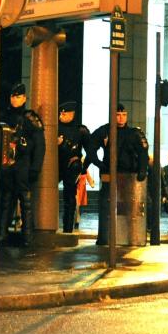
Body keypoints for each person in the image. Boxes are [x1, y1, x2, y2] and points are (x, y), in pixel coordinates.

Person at [89, 103, 148, 245]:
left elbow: (143, 151)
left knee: (132, 209)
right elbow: (90, 147)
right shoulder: (105, 131)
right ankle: (105, 237)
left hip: (129, 176)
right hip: (110, 173)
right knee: (107, 207)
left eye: (124, 115)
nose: (121, 118)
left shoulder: (133, 133)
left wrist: (142, 170)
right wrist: (99, 164)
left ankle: (131, 236)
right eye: (118, 115)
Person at [0, 83, 45, 246]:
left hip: (23, 164)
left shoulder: (31, 119)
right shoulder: (3, 116)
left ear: (24, 98)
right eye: (12, 97)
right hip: (6, 165)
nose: (14, 100)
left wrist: (35, 167)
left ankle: (27, 236)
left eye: (18, 97)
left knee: (25, 200)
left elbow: (40, 145)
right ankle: (1, 234)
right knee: (5, 199)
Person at [56, 101, 90, 234]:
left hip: (71, 166)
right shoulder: (55, 127)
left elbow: (90, 150)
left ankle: (68, 228)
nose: (61, 116)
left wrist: (84, 167)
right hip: (56, 165)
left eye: (64, 113)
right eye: (60, 113)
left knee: (69, 197)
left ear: (72, 114)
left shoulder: (80, 130)